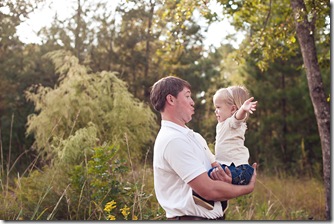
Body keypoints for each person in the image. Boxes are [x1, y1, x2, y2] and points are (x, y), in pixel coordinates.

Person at [150, 76, 257, 220]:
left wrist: (228, 177)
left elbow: (218, 174)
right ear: (171, 99)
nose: (192, 102)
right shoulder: (172, 140)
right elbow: (209, 190)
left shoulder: (195, 138)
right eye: (187, 96)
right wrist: (247, 188)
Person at [206, 86, 258, 185]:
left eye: (218, 107)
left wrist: (243, 109)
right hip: (228, 167)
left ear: (233, 109)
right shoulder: (222, 125)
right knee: (208, 174)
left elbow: (238, 118)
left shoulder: (232, 123)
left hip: (239, 169)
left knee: (208, 176)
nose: (215, 111)